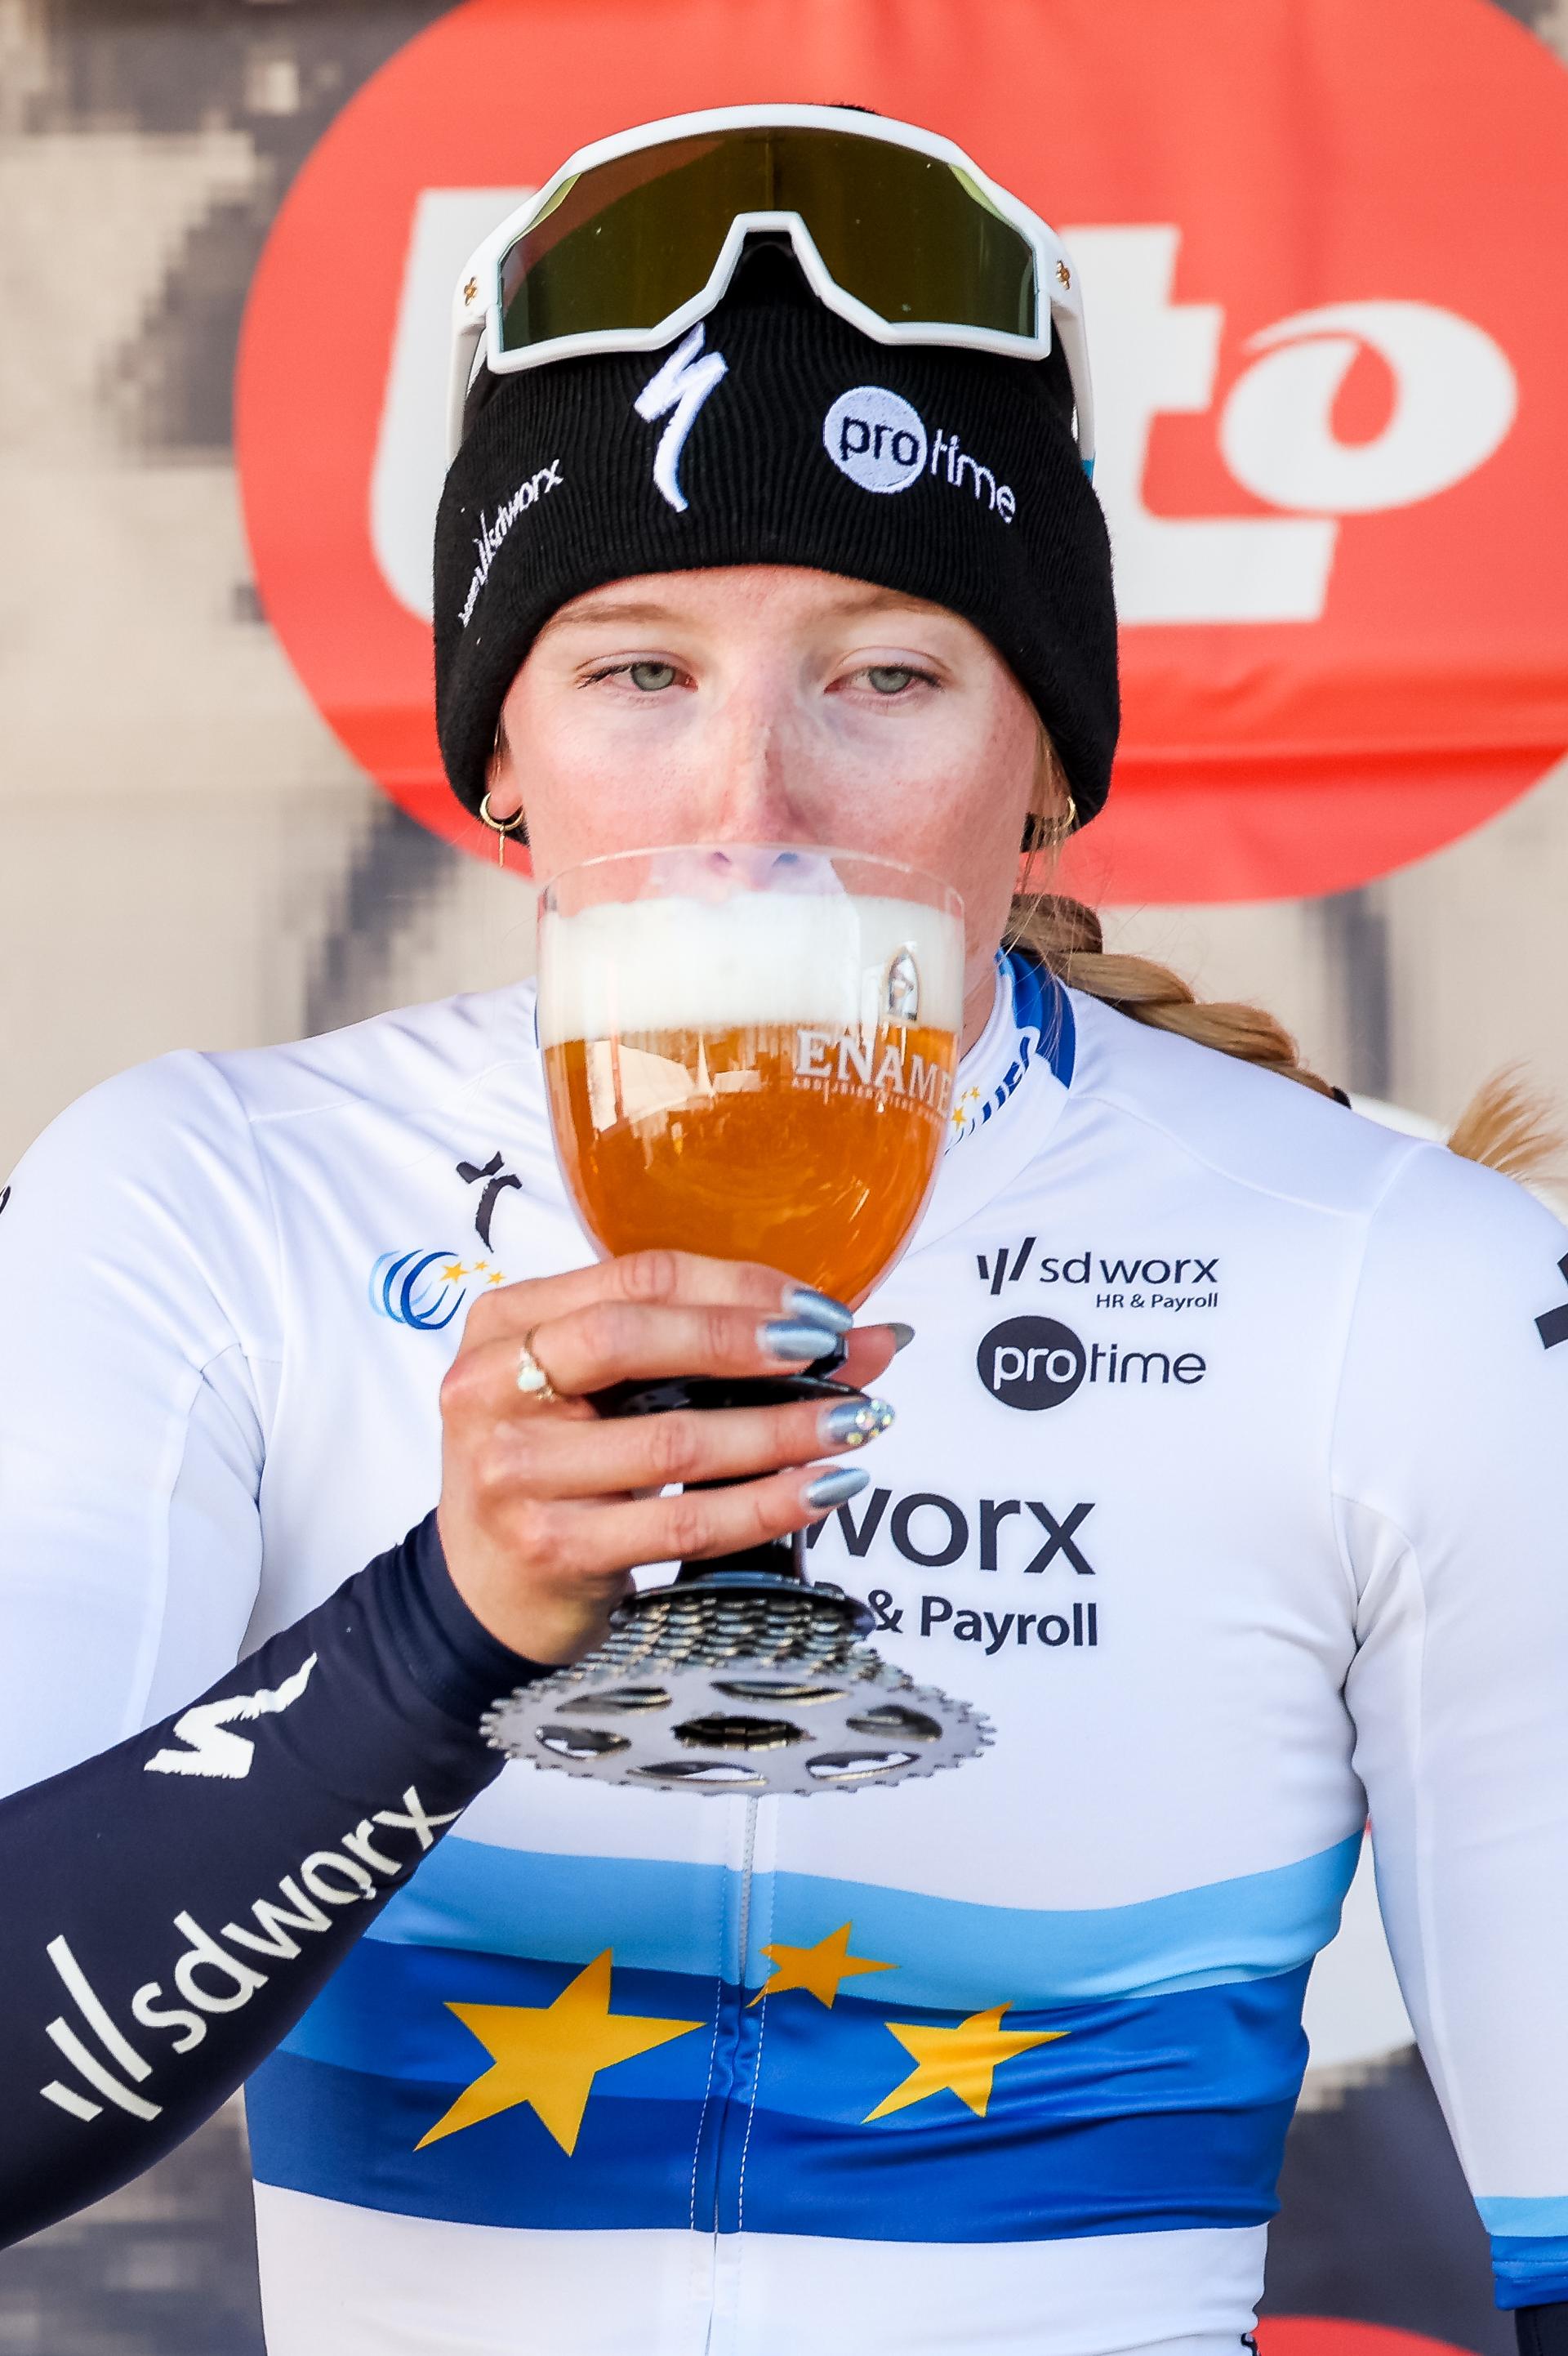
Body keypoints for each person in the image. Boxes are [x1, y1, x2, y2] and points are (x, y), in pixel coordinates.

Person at [1, 101, 1566, 2356]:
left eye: (889, 675)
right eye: (640, 670)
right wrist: (438, 1634)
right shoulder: (208, 1200)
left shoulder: (1408, 1288)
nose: (753, 809)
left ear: (1047, 758)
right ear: (500, 748)